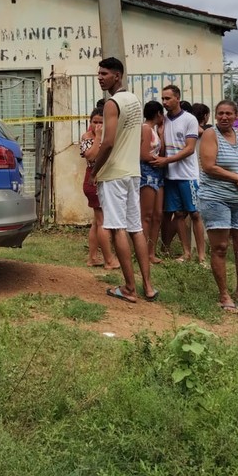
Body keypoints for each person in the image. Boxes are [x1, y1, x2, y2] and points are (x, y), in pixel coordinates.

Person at [93, 57, 157, 303]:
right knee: (136, 228)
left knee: (118, 227)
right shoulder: (134, 100)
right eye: (99, 73)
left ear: (117, 76)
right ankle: (148, 286)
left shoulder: (112, 103)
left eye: (105, 73)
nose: (100, 77)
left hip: (114, 173)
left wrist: (95, 170)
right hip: (132, 172)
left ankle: (129, 288)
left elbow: (108, 142)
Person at [199, 100, 238, 311]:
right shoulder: (210, 135)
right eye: (220, 113)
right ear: (215, 115)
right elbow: (209, 166)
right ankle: (224, 295)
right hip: (215, 197)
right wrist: (236, 178)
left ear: (235, 115)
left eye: (228, 114)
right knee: (220, 247)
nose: (224, 117)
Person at [159, 85, 205, 264]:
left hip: (188, 175)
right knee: (177, 214)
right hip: (171, 176)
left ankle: (201, 256)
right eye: (163, 99)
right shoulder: (163, 120)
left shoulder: (189, 119)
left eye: (168, 98)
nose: (165, 102)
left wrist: (166, 161)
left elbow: (189, 149)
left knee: (194, 214)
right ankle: (186, 252)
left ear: (177, 98)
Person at [80, 108, 118, 269]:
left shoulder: (110, 137)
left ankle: (93, 257)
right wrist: (98, 138)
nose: (97, 125)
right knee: (102, 221)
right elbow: (91, 156)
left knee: (97, 222)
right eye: (94, 122)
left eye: (101, 122)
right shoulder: (87, 138)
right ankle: (109, 259)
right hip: (93, 180)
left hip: (106, 179)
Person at [139, 101, 167, 265]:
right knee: (147, 215)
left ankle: (151, 252)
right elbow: (143, 154)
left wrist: (162, 135)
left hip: (158, 171)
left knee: (157, 215)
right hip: (148, 172)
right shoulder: (145, 129)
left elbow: (159, 151)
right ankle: (144, 251)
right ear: (158, 113)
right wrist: (161, 160)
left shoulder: (155, 130)